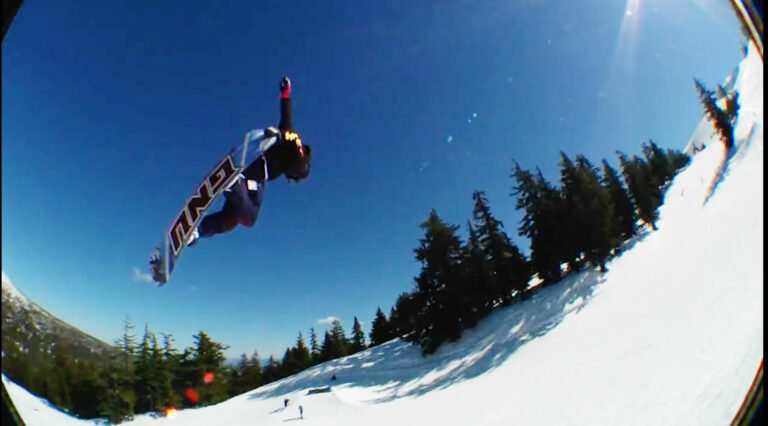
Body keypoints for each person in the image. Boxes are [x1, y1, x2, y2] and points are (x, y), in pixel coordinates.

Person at [186, 76, 312, 245]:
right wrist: (281, 136)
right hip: (256, 166)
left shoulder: (291, 143)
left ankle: (197, 232)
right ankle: (234, 184)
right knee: (249, 216)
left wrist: (285, 94)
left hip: (257, 176)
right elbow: (292, 138)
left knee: (234, 219)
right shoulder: (299, 157)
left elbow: (286, 116)